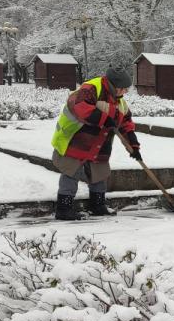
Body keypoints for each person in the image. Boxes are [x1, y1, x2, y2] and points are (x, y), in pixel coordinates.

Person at [49, 67, 142, 220]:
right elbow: (79, 106)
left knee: (100, 173)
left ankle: (97, 206)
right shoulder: (91, 88)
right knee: (72, 172)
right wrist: (104, 119)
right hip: (75, 138)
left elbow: (126, 124)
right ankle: (64, 209)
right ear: (114, 86)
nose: (125, 92)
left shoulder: (120, 103)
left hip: (100, 143)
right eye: (123, 89)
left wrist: (133, 146)